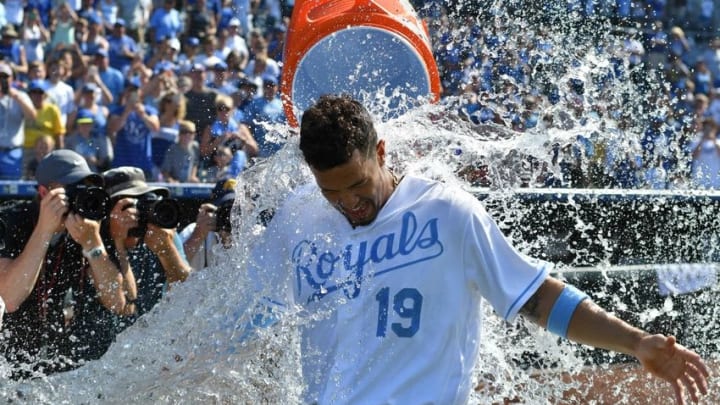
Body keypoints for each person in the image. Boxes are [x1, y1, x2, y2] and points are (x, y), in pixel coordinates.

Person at [250, 95, 710, 404]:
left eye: (358, 185)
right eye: (332, 192)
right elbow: (246, 315)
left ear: (382, 153)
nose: (348, 203)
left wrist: (634, 341)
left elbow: (535, 296)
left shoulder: (447, 212)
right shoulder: (298, 218)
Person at [0, 149, 133, 375]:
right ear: (44, 192)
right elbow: (8, 299)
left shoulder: (90, 223)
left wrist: (93, 245)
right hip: (7, 359)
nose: (79, 198)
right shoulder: (10, 221)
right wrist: (44, 229)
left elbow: (120, 304)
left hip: (56, 363)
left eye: (85, 187)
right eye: (72, 190)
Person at [102, 166, 192, 319]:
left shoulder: (160, 232)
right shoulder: (97, 238)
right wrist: (118, 243)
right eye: (128, 204)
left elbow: (188, 293)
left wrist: (166, 249)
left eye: (142, 201)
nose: (136, 212)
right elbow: (125, 307)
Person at [180, 177, 237, 270]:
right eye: (225, 211)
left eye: (236, 210)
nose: (230, 217)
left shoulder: (258, 235)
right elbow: (173, 270)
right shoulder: (193, 231)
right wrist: (198, 234)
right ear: (213, 210)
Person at [0, 62, 37, 179]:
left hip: (13, 152)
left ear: (12, 79)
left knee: (12, 189)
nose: (2, 80)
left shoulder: (20, 96)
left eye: (5, 77)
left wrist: (16, 97)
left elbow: (32, 117)